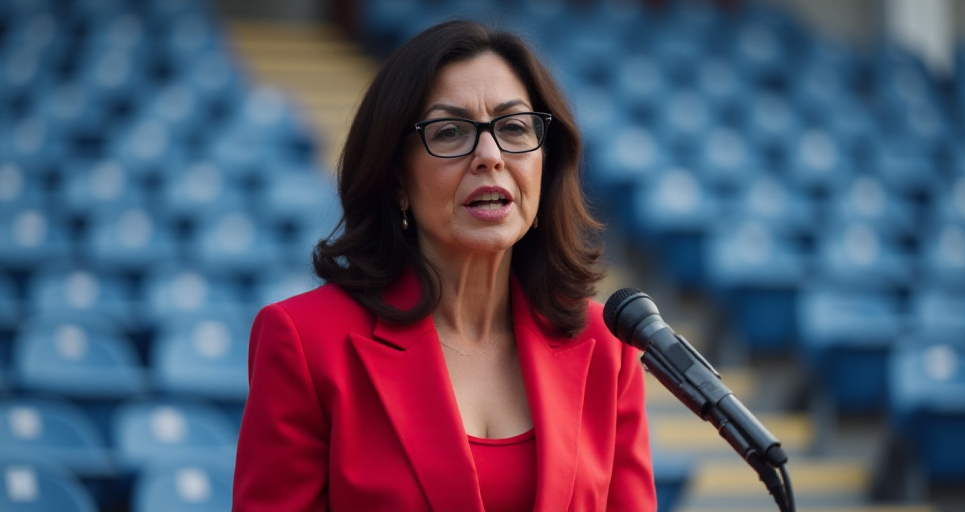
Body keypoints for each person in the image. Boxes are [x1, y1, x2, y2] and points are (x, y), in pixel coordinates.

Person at [232, 20, 656, 512]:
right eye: (450, 132)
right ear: (395, 176)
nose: (490, 156)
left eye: (514, 127)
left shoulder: (606, 345)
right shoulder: (305, 342)